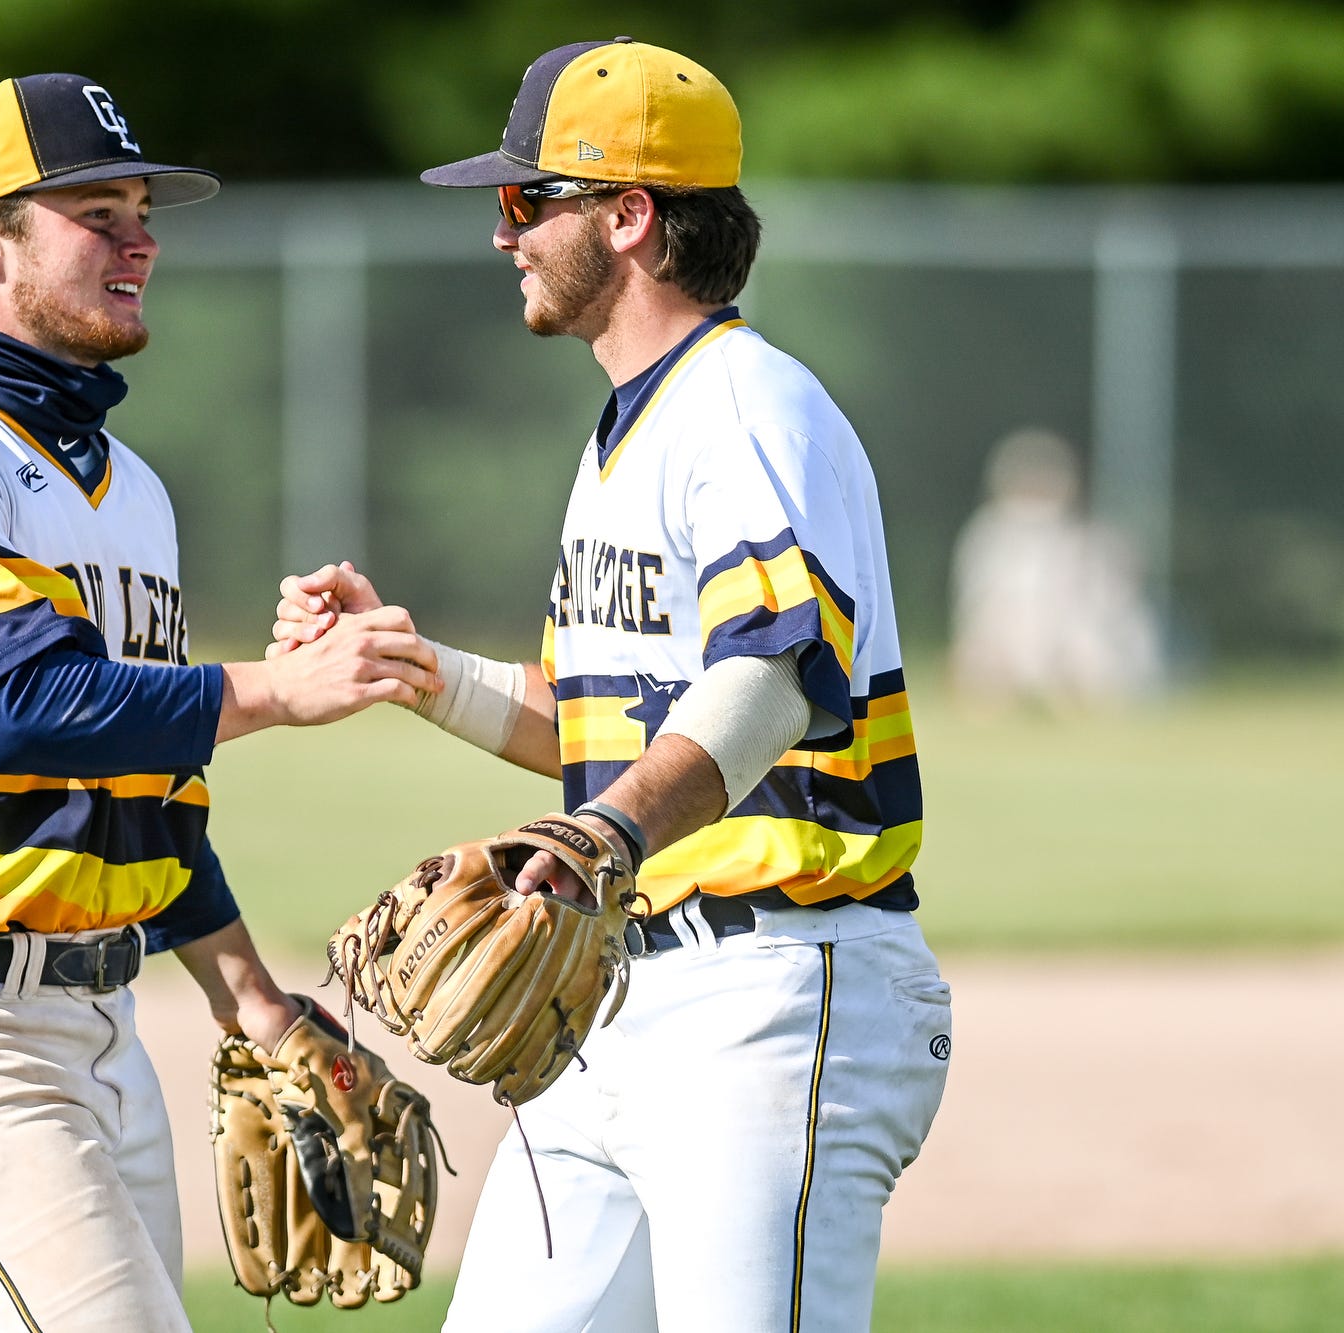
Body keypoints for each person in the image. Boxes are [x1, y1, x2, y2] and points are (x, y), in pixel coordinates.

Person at [273, 39, 951, 1332]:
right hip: (621, 993)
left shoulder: (748, 407)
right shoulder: (626, 434)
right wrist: (414, 671)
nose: (501, 235)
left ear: (629, 217)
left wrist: (606, 831)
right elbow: (605, 730)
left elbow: (771, 683)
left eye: (528, 200)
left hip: (775, 986)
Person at [0, 73, 438, 1332]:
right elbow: (20, 711)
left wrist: (247, 994)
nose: (140, 237)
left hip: (99, 1033)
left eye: (142, 207)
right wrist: (270, 691)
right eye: (96, 209)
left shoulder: (130, 489)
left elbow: (136, 792)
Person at [949, 426, 1164, 709]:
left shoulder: (1088, 540)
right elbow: (978, 610)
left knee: (1087, 653)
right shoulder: (987, 535)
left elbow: (1110, 612)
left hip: (1073, 644)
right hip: (1009, 647)